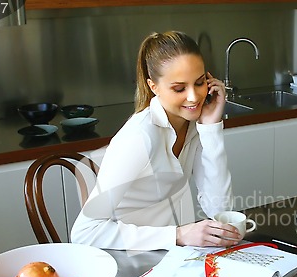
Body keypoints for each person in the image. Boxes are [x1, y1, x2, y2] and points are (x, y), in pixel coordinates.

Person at [71, 31, 241, 251]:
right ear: (154, 87)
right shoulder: (138, 138)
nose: (194, 97)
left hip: (165, 256)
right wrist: (178, 234)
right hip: (120, 258)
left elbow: (220, 209)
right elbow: (85, 232)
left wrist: (211, 128)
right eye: (179, 88)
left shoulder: (194, 125)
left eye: (199, 83)